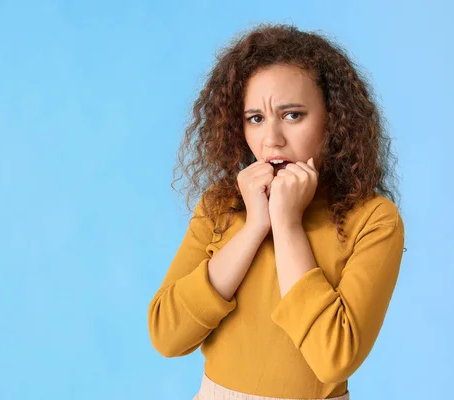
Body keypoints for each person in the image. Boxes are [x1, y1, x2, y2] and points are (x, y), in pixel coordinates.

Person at [147, 23, 406, 400]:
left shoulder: (374, 219)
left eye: (292, 115)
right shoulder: (220, 205)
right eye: (255, 118)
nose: (271, 139)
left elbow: (334, 357)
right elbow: (166, 335)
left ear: (333, 119)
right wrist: (255, 226)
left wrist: (286, 225)